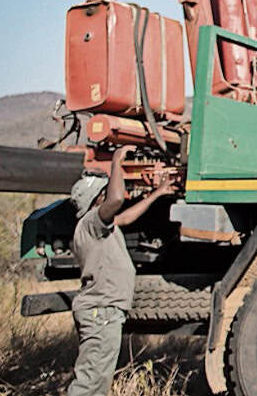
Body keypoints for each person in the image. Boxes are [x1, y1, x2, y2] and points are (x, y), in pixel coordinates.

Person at [67, 146, 176, 396]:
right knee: (90, 380)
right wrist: (117, 161)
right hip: (100, 312)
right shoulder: (90, 223)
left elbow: (125, 217)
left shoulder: (100, 226)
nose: (108, 196)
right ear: (95, 199)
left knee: (98, 381)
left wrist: (157, 194)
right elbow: (116, 200)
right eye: (102, 193)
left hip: (104, 312)